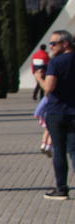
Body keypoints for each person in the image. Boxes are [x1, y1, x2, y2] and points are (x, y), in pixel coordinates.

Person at [35, 29, 75, 199]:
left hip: (58, 112)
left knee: (59, 150)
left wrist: (39, 78)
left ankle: (62, 188)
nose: (51, 46)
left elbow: (49, 88)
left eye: (54, 43)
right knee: (74, 150)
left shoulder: (56, 62)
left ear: (65, 44)